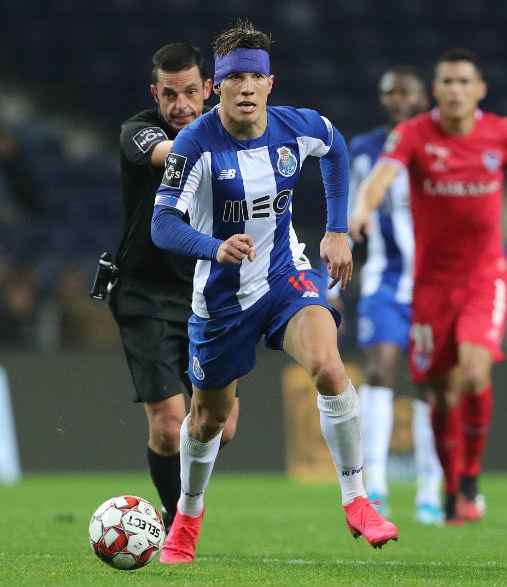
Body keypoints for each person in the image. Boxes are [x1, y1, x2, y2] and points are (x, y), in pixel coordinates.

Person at [150, 20, 398, 563]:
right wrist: (212, 247)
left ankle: (358, 499)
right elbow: (162, 224)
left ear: (269, 83)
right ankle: (188, 516)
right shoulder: (194, 146)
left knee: (330, 369)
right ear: (215, 86)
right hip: (220, 300)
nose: (244, 87)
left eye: (253, 77)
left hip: (285, 278)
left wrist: (336, 228)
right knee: (209, 420)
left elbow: (333, 151)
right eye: (233, 76)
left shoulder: (296, 128)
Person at [350, 48, 507, 524]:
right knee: (438, 390)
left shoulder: (503, 133)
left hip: (485, 277)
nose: (455, 90)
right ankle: (446, 480)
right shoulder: (416, 135)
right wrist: (362, 207)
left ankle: (468, 480)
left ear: (479, 89)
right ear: (435, 91)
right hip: (430, 284)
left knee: (475, 373)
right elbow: (383, 174)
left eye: (464, 81)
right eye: (447, 82)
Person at [111, 42, 238, 531]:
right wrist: (221, 137)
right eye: (170, 94)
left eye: (190, 92)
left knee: (220, 428)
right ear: (155, 94)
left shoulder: (237, 139)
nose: (180, 105)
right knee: (168, 429)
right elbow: (168, 154)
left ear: (209, 89)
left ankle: (184, 497)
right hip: (145, 297)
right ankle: (175, 519)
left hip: (210, 297)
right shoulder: (139, 132)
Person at [335, 65, 444, 525]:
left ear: (424, 97)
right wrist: (331, 283)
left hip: (436, 283)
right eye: (389, 93)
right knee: (379, 371)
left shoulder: (442, 146)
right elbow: (343, 221)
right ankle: (374, 483)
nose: (397, 99)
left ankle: (429, 489)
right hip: (382, 280)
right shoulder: (363, 151)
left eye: (406, 92)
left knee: (431, 383)